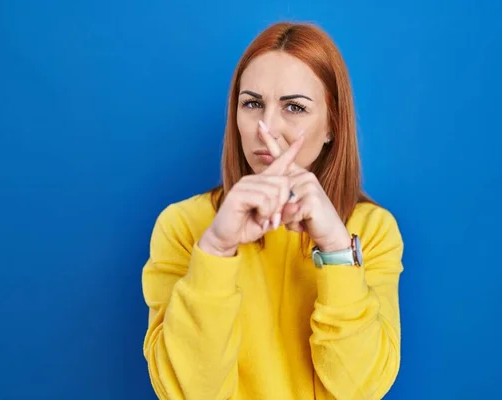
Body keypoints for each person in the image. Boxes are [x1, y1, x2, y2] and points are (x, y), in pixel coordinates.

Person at [141, 21, 404, 400]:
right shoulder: (183, 225)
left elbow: (362, 389)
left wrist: (335, 247)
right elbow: (186, 392)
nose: (267, 128)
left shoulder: (373, 229)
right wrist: (215, 249)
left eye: (294, 107)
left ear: (332, 125)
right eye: (252, 104)